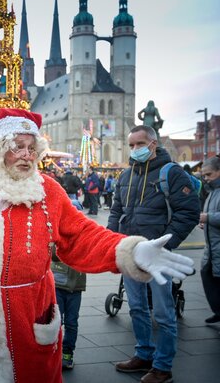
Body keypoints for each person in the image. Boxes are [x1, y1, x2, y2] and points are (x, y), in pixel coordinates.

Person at [0, 109, 195, 383]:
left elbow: (81, 235)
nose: (27, 156)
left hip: (31, 312)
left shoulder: (49, 191)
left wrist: (129, 250)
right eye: (18, 146)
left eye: (32, 149)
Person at [108, 125, 200, 383]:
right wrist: (113, 242)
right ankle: (144, 354)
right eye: (131, 145)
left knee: (163, 313)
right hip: (130, 253)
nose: (134, 149)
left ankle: (163, 366)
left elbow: (189, 212)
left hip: (157, 256)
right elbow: (116, 211)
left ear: (153, 144)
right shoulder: (125, 176)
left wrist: (165, 244)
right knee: (136, 308)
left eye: (139, 144)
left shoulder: (172, 173)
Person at [51, 199, 86, 370]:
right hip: (57, 285)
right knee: (56, 321)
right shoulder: (55, 235)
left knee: (72, 322)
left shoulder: (83, 238)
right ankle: (53, 352)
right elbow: (52, 254)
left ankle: (67, 352)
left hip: (75, 288)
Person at [199, 156, 220, 324]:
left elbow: (213, 216)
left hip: (217, 247)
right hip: (212, 247)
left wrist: (208, 218)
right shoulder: (213, 192)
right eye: (204, 175)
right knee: (208, 278)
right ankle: (218, 311)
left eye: (209, 174)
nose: (206, 178)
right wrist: (205, 223)